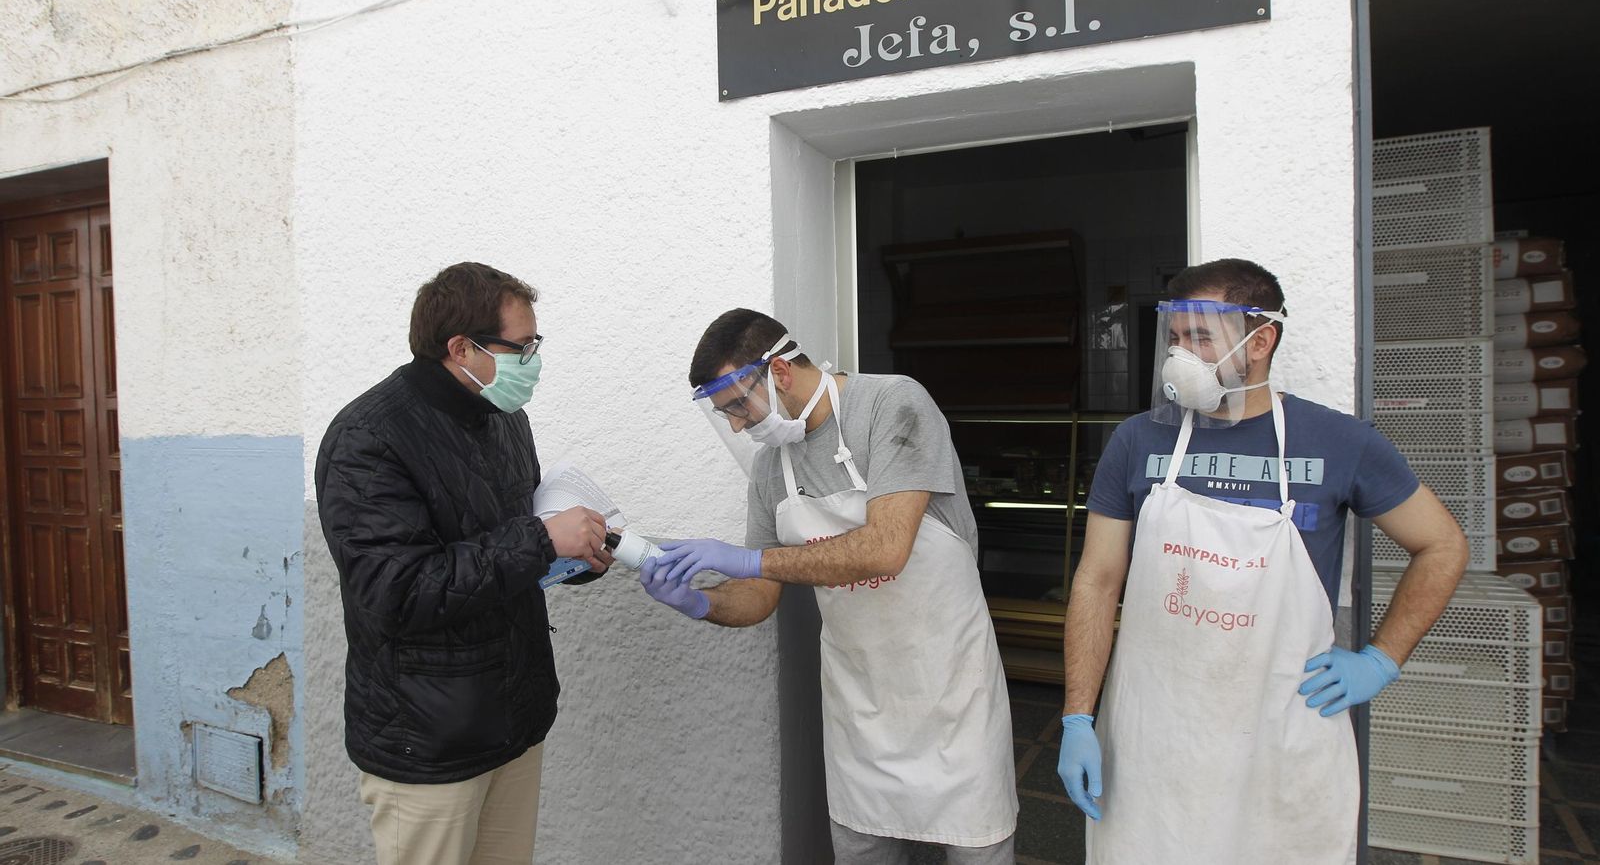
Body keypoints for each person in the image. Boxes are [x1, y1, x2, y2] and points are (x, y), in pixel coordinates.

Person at [1055, 259, 1469, 863]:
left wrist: (1381, 659)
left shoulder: (1338, 442)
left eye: (1200, 337)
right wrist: (1076, 718)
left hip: (1280, 729)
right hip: (1155, 731)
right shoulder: (1138, 441)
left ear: (1260, 341)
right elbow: (1097, 580)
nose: (1181, 357)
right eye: (1174, 338)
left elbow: (1442, 545)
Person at [640, 309, 1018, 863]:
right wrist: (700, 600)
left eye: (739, 405)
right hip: (859, 709)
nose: (739, 426)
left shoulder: (893, 404)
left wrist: (749, 560)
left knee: (976, 849)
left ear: (780, 373)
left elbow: (886, 546)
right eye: (725, 416)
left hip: (953, 696)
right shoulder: (773, 470)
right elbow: (758, 597)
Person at [315, 261, 612, 865]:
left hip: (515, 720)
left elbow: (510, 547)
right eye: (521, 346)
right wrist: (540, 540)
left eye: (536, 344)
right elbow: (396, 592)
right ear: (461, 348)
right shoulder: (369, 439)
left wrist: (578, 556)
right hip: (429, 741)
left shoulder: (504, 418)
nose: (533, 359)